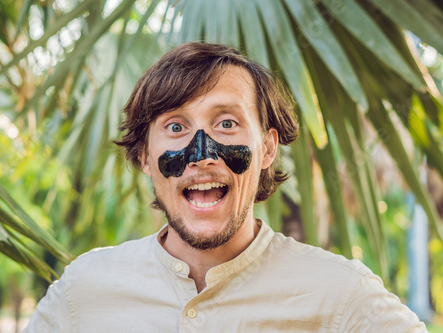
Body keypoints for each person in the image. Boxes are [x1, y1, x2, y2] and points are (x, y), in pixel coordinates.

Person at [23, 42, 427, 332]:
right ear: (145, 156)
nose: (202, 154)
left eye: (227, 123)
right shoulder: (84, 290)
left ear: (267, 149)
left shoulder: (341, 296)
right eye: (176, 127)